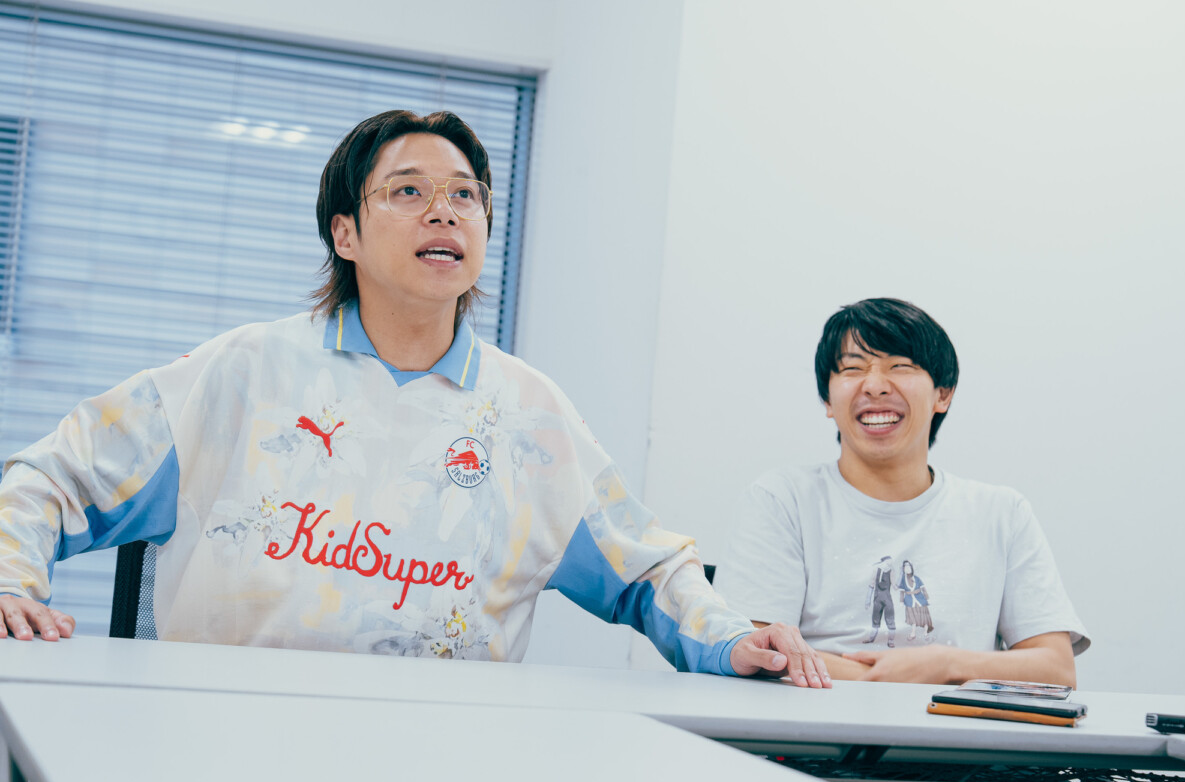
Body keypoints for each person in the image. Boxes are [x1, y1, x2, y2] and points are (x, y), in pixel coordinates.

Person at [0, 110, 831, 688]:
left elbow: (649, 569)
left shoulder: (530, 415)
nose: (444, 211)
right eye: (408, 191)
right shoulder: (242, 371)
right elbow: (48, 479)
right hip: (217, 742)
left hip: (444, 757)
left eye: (465, 194)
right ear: (345, 234)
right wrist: (11, 584)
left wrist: (734, 640)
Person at [715, 298, 1088, 685]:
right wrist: (890, 679)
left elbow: (1057, 669)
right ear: (827, 399)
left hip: (954, 724)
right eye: (853, 369)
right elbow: (753, 651)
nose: (875, 386)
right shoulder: (781, 500)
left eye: (900, 367)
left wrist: (946, 664)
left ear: (943, 394)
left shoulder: (1002, 513)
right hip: (810, 722)